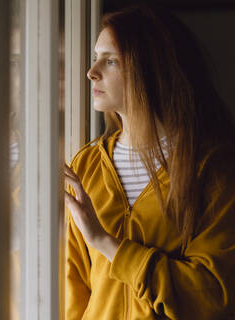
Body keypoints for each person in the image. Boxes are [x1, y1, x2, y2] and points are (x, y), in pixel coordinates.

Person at [64, 5, 235, 320]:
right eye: (95, 58)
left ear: (151, 69)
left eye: (110, 60)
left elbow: (213, 294)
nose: (92, 72)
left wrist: (105, 242)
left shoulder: (212, 170)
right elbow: (71, 291)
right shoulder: (86, 164)